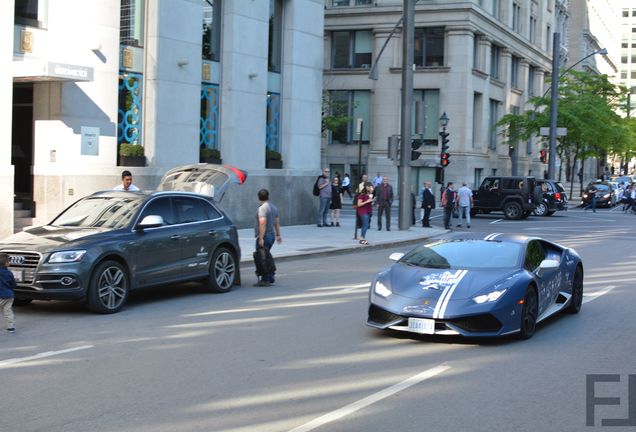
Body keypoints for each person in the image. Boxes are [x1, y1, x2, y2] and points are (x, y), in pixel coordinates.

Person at [254, 189, 282, 286]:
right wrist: (278, 234)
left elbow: (262, 223)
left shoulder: (262, 208)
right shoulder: (274, 207)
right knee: (267, 256)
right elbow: (277, 222)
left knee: (262, 258)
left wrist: (261, 238)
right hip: (272, 236)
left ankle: (266, 279)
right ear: (268, 196)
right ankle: (271, 276)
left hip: (265, 236)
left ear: (258, 197)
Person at [0, 253, 16, 333]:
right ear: (6, 263)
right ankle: (11, 327)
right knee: (8, 311)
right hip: (9, 295)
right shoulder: (9, 273)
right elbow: (13, 285)